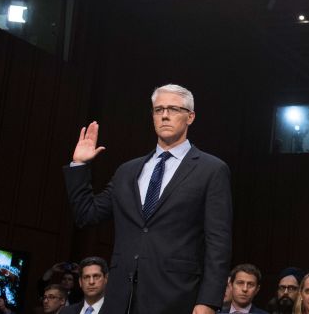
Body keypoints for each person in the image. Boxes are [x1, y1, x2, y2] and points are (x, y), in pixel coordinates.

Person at [63, 84, 233, 314]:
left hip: (176, 297)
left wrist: (208, 302)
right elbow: (87, 214)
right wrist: (80, 165)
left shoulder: (211, 169)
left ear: (190, 117)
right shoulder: (127, 171)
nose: (164, 115)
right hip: (120, 299)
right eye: (158, 109)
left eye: (173, 109)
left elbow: (218, 243)